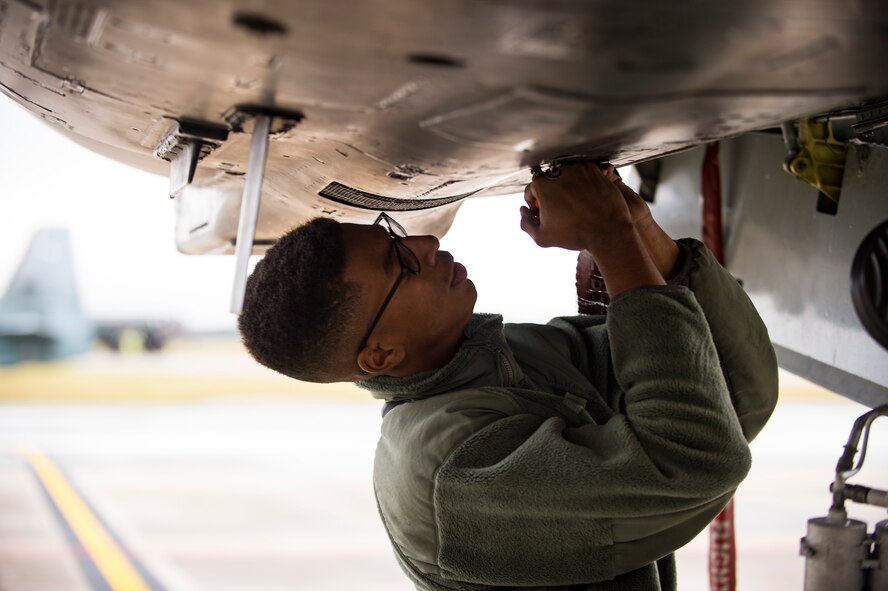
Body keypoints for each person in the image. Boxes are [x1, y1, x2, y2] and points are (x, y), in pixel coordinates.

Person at [237, 162, 779, 591]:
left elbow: (731, 393)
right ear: (380, 354)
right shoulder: (453, 472)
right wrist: (607, 236)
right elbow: (695, 459)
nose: (426, 245)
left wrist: (632, 224)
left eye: (397, 234)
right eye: (400, 263)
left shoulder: (506, 359)